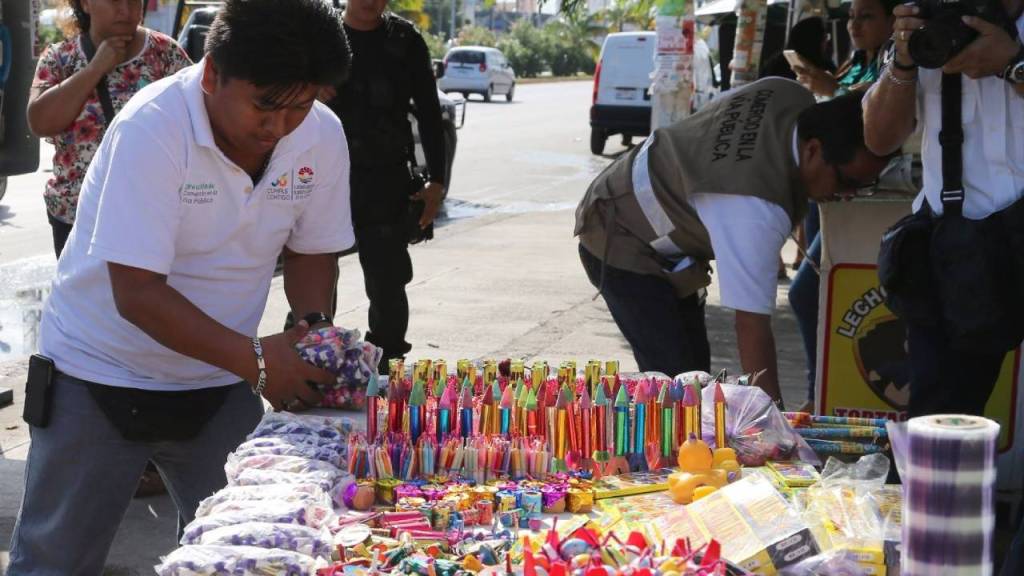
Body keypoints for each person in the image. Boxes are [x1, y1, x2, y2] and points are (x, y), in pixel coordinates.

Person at [7, 0, 352, 573]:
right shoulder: (154, 127)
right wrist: (264, 362)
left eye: (300, 106)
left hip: (221, 381)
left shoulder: (319, 135)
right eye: (265, 105)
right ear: (213, 73)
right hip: (98, 379)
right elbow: (138, 293)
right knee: (55, 562)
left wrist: (311, 334)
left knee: (255, 550)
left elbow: (313, 250)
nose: (278, 127)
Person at [575, 78, 891, 404]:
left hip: (657, 213)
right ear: (813, 150)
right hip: (618, 232)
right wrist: (774, 424)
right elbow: (751, 328)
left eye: (866, 186)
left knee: (693, 378)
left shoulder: (787, 93)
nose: (850, 196)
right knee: (675, 388)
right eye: (848, 182)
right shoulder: (753, 206)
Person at [863, 0, 1024, 417]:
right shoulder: (928, 28)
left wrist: (1014, 63)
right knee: (939, 422)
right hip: (961, 256)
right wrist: (902, 61)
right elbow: (879, 139)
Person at [786, 0, 897, 411]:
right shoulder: (853, 63)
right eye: (851, 16)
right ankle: (821, 396)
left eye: (867, 16)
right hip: (829, 192)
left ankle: (822, 397)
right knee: (819, 290)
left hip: (867, 196)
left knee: (808, 293)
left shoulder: (895, 65)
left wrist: (830, 91)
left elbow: (874, 117)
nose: (855, 25)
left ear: (893, 20)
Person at [325, 0, 447, 372]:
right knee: (314, 273)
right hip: (326, 178)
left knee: (387, 282)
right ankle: (309, 361)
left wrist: (437, 183)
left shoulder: (404, 40)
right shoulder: (324, 35)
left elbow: (429, 111)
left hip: (385, 179)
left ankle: (385, 372)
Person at [28, 0, 192, 258]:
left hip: (148, 217)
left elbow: (196, 124)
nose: (126, 11)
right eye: (115, 1)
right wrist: (95, 69)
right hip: (77, 219)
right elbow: (40, 122)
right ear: (86, 4)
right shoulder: (60, 57)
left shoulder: (165, 54)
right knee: (82, 299)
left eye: (134, 2)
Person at [760, 17, 835, 81]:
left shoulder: (776, 62)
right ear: (815, 41)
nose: (827, 43)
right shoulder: (821, 69)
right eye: (825, 38)